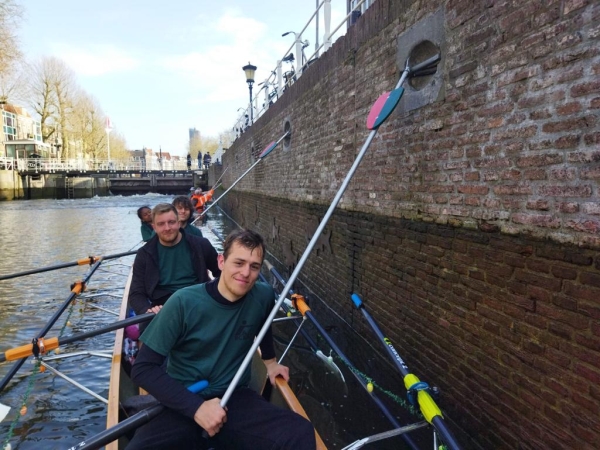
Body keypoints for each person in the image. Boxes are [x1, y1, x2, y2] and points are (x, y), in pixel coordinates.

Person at [128, 229, 316, 450]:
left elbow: (263, 322)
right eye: (238, 263)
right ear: (221, 261)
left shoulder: (264, 295)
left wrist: (270, 362)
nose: (246, 273)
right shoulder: (182, 303)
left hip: (235, 396)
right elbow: (143, 368)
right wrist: (197, 409)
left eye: (254, 266)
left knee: (300, 432)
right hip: (185, 398)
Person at [128, 203, 220, 319]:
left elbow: (221, 273)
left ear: (178, 222)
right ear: (154, 227)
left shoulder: (201, 245)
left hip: (198, 302)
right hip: (162, 308)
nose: (167, 228)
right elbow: (136, 293)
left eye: (171, 222)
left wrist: (217, 298)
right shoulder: (144, 254)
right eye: (161, 224)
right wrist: (146, 310)